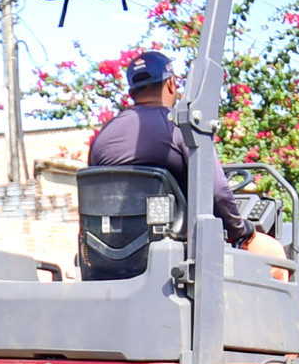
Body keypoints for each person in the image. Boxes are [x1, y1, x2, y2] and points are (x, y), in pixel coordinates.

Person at [88, 51, 256, 246]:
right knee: (273, 253)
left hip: (110, 253)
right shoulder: (181, 129)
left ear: (131, 92)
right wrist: (241, 229)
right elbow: (218, 191)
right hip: (178, 252)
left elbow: (92, 201)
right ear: (170, 84)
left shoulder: (103, 136)